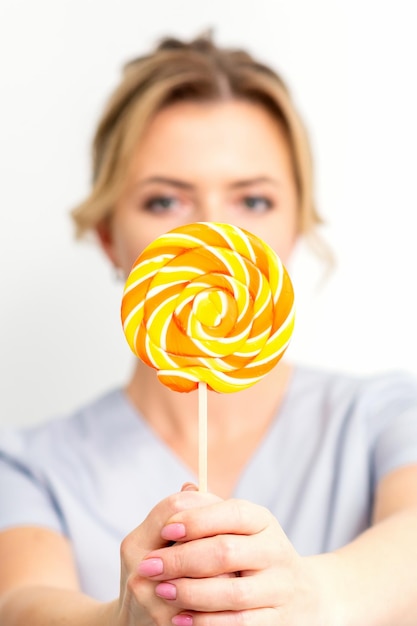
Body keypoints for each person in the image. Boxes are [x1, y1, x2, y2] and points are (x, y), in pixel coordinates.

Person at [1, 33, 417, 626]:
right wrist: (117, 620)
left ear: (296, 225)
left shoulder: (382, 414)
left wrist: (315, 597)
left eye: (252, 201)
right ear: (107, 236)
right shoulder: (27, 464)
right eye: (166, 201)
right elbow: (19, 604)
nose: (215, 234)